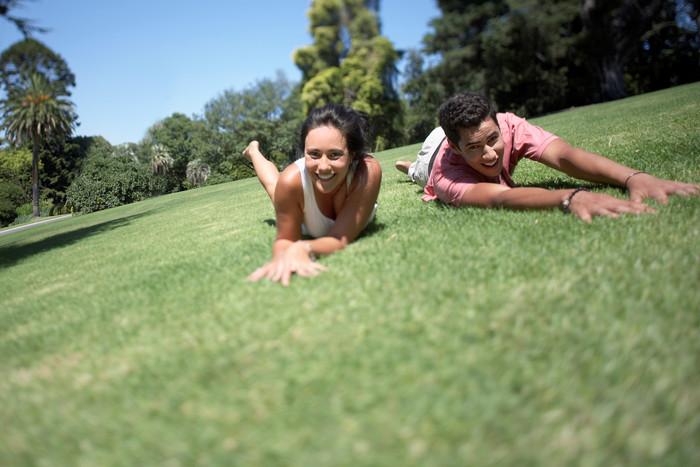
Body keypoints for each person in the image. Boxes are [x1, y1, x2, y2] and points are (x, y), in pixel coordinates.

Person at [396, 92, 699, 222]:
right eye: (475, 147)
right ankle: (410, 168)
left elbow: (565, 156)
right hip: (432, 151)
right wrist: (568, 197)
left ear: (499, 124)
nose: (489, 155)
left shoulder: (508, 124)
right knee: (420, 173)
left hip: (454, 134)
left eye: (493, 140)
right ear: (458, 145)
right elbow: (500, 198)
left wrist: (635, 177)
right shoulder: (447, 176)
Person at [244, 104, 382, 286]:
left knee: (278, 187)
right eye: (314, 154)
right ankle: (253, 151)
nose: (323, 166)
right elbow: (285, 239)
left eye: (334, 155)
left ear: (352, 155)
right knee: (275, 187)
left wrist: (305, 247)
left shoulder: (367, 171)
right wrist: (281, 256)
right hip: (296, 195)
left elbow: (340, 238)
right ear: (304, 152)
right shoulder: (292, 181)